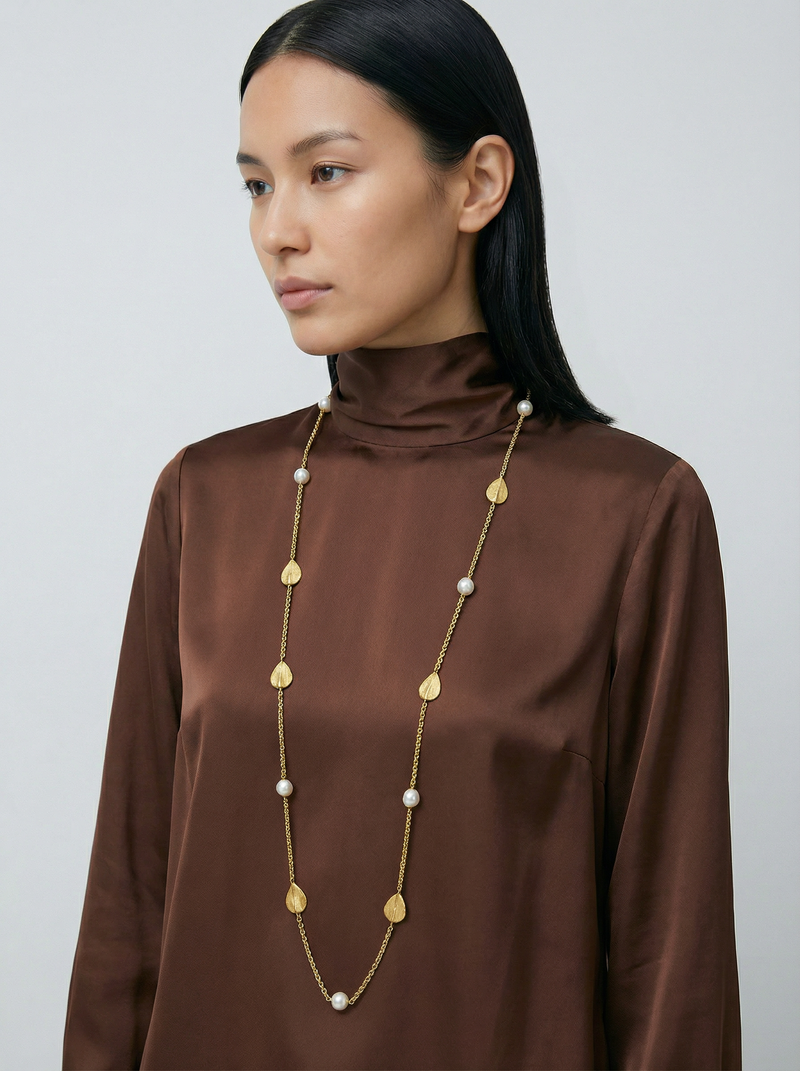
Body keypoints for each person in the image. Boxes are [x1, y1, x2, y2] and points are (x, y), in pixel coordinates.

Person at [62, 1, 741, 1068]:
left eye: (326, 172)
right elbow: (125, 917)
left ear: (476, 184)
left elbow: (673, 959)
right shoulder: (205, 499)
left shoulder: (634, 513)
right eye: (256, 184)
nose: (277, 230)